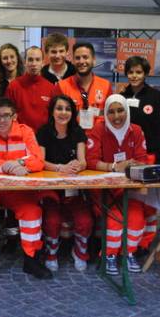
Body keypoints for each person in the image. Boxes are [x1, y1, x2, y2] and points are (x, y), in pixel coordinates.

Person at [0, 97, 53, 279]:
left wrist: (16, 163)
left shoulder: (26, 132)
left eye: (6, 116)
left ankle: (31, 260)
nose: (2, 120)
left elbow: (37, 160)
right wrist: (6, 167)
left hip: (17, 191)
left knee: (32, 211)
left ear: (14, 116)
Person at [85, 94, 150, 275]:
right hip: (105, 192)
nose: (116, 116)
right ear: (105, 113)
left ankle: (129, 253)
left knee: (137, 220)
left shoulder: (136, 130)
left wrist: (133, 166)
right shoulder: (98, 129)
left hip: (130, 190)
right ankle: (109, 255)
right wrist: (114, 167)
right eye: (111, 112)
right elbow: (90, 161)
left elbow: (142, 159)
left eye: (120, 110)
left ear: (127, 111)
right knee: (114, 222)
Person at [37, 95, 91, 272]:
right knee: (52, 220)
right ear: (52, 111)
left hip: (73, 189)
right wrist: (60, 168)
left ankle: (80, 252)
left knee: (85, 220)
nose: (63, 112)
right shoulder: (43, 132)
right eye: (59, 108)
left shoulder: (78, 132)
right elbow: (41, 162)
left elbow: (83, 162)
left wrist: (77, 165)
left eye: (67, 109)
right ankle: (51, 252)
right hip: (51, 188)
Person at [118, 56, 160, 255]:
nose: (134, 76)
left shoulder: (155, 96)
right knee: (132, 202)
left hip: (149, 156)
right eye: (131, 72)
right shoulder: (122, 95)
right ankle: (129, 240)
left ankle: (145, 243)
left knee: (148, 204)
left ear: (145, 73)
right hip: (127, 158)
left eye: (138, 72)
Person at [54, 42, 113, 130]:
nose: (81, 61)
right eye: (77, 58)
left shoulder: (106, 86)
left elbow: (110, 116)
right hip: (71, 140)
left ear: (93, 60)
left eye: (85, 57)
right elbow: (56, 118)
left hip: (98, 139)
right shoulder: (62, 86)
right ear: (73, 61)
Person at [6, 46, 55, 132]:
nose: (34, 63)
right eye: (30, 60)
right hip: (20, 138)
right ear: (25, 62)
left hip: (43, 140)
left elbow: (53, 118)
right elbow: (8, 115)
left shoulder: (51, 88)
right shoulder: (13, 86)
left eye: (37, 60)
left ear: (43, 62)